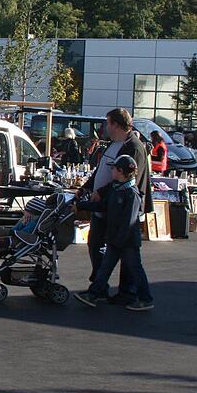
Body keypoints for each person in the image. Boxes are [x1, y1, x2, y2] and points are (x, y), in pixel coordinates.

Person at [80, 108, 152, 304]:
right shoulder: (114, 144)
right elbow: (100, 171)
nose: (105, 127)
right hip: (106, 205)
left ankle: (124, 292)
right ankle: (100, 288)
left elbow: (128, 180)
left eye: (108, 123)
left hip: (118, 210)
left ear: (117, 125)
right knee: (98, 246)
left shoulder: (134, 147)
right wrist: (86, 188)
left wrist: (101, 193)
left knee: (126, 257)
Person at [74, 154, 154, 311]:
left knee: (135, 269)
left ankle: (146, 299)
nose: (111, 171)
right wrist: (83, 205)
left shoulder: (132, 194)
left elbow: (129, 222)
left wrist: (118, 241)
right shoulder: (116, 189)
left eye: (114, 168)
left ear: (121, 171)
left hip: (127, 242)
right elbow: (103, 206)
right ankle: (93, 294)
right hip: (115, 239)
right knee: (105, 268)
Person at [0, 197, 46, 273]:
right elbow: (15, 228)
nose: (24, 212)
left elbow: (24, 233)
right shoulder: (27, 220)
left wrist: (14, 231)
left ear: (32, 213)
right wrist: (21, 223)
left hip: (20, 241)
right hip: (16, 238)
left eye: (26, 211)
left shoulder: (34, 223)